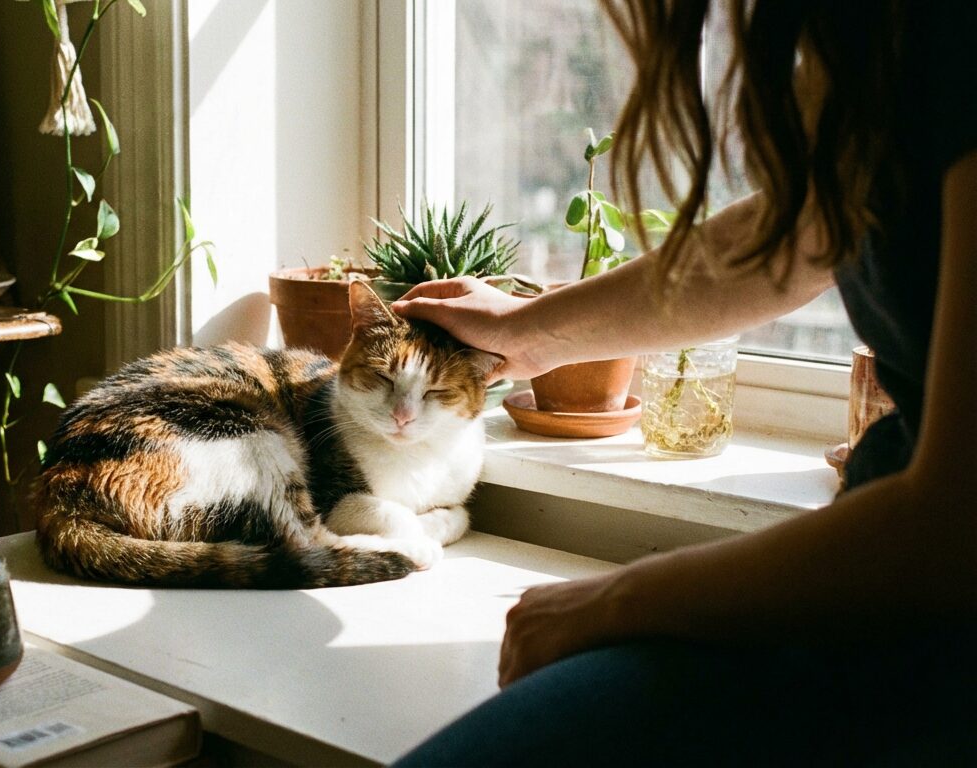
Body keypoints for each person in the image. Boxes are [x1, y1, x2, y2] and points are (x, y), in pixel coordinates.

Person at [390, 0, 976, 764]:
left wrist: (617, 598)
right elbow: (791, 233)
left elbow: (954, 526)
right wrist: (526, 334)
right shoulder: (876, 38)